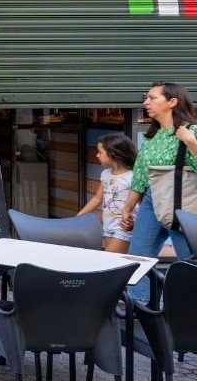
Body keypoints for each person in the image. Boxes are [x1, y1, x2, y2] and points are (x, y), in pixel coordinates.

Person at [120, 82, 197, 299]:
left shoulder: (192, 131)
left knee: (188, 263)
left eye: (153, 98)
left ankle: (185, 312)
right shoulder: (152, 137)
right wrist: (128, 207)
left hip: (182, 203)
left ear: (172, 102)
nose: (146, 102)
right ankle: (138, 306)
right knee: (138, 256)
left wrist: (192, 143)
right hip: (152, 200)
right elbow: (141, 175)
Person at [75, 133, 138, 253]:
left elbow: (140, 203)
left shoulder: (132, 177)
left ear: (113, 153)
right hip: (108, 225)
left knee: (110, 259)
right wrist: (78, 217)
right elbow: (97, 199)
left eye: (100, 152)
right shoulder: (105, 174)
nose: (97, 155)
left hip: (124, 227)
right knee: (117, 262)